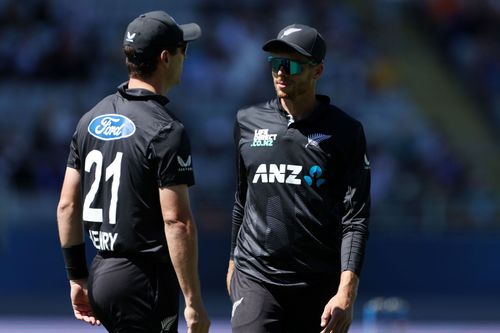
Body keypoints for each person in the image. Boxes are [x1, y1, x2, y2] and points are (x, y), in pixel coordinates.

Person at [56, 10, 210, 333]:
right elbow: (177, 222)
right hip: (144, 282)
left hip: (101, 274)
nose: (186, 57)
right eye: (184, 49)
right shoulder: (167, 130)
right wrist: (193, 302)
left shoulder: (90, 119)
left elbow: (68, 206)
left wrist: (76, 276)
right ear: (166, 58)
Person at [227, 24, 371, 333]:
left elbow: (356, 220)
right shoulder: (247, 122)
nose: (281, 72)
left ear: (317, 71)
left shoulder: (346, 132)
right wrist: (232, 263)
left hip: (318, 286)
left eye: (290, 65)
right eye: (275, 63)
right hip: (256, 278)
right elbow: (242, 200)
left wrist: (346, 291)